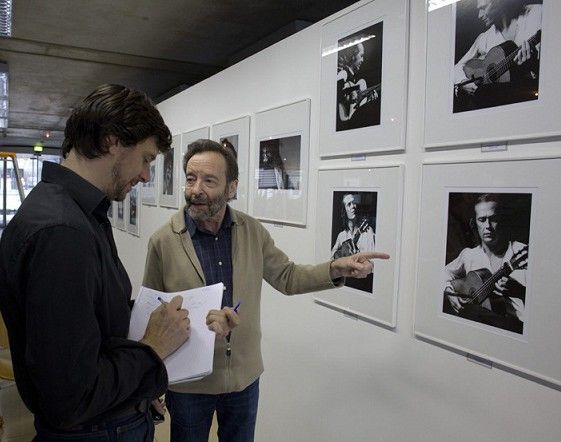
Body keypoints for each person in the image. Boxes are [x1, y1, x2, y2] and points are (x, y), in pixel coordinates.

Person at [0, 84, 226, 441]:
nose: (146, 175)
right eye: (147, 158)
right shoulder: (63, 232)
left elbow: (96, 328)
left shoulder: (76, 215)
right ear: (111, 142)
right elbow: (71, 397)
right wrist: (152, 350)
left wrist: (140, 381)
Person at [142, 139, 389, 442]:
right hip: (190, 385)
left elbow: (287, 276)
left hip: (244, 379)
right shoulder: (163, 241)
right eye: (191, 178)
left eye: (209, 181)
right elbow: (151, 315)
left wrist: (335, 268)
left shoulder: (252, 231)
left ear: (231, 188)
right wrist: (152, 377)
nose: (196, 190)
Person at [443, 194, 528, 334]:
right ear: (474, 223)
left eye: (493, 219)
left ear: (502, 221)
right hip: (475, 328)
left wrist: (520, 291)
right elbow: (443, 272)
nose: (487, 226)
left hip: (515, 331)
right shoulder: (469, 255)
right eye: (482, 220)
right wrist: (450, 293)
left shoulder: (521, 252)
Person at [454, 0, 542, 110]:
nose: (479, 15)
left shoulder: (537, 13)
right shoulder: (485, 38)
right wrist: (463, 82)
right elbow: (457, 67)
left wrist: (533, 65)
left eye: (483, 8)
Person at [336, 41, 379, 126]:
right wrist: (353, 93)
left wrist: (366, 101)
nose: (362, 60)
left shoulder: (354, 79)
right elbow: (339, 91)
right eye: (361, 56)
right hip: (345, 118)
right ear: (353, 56)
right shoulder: (344, 73)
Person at [331, 193, 375, 259]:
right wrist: (343, 252)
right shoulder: (341, 235)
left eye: (354, 203)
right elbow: (332, 258)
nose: (353, 206)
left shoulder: (367, 231)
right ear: (344, 210)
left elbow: (372, 260)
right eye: (349, 204)